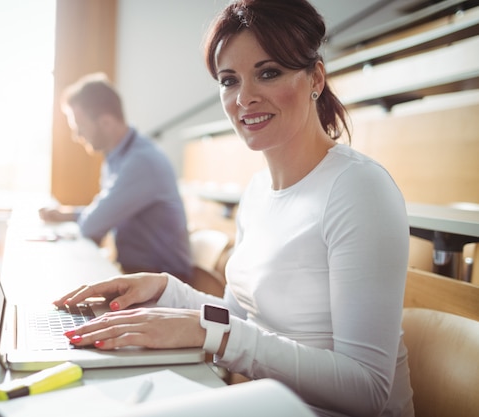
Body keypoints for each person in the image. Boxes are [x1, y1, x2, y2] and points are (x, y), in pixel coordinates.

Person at [55, 1, 414, 416]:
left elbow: (367, 390)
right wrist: (166, 290)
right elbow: (239, 317)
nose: (244, 98)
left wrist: (215, 335)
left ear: (315, 77)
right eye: (229, 81)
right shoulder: (259, 189)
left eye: (268, 73)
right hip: (269, 404)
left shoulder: (359, 189)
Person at [39, 73, 192, 280]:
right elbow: (103, 211)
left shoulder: (141, 162)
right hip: (139, 274)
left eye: (80, 128)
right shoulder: (118, 156)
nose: (77, 137)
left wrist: (75, 216)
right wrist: (67, 214)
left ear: (106, 123)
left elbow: (92, 224)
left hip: (162, 283)